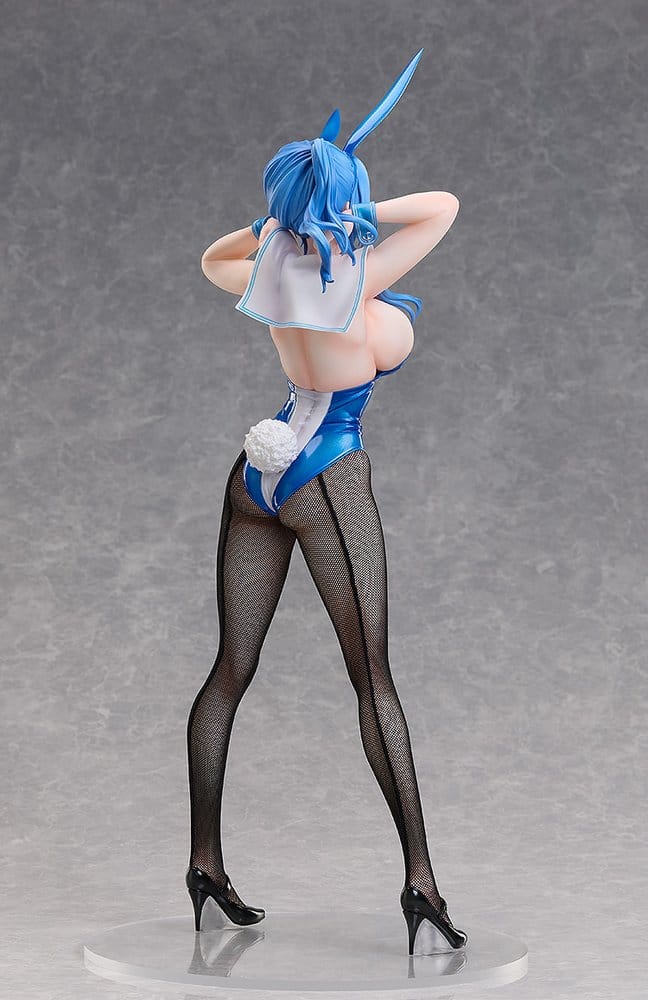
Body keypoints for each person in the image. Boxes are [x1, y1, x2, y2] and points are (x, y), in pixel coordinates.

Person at [185, 49, 467, 956]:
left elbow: (211, 257)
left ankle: (203, 864)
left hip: (256, 471)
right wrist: (351, 214)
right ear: (346, 202)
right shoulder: (356, 281)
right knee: (372, 678)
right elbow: (441, 207)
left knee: (230, 670)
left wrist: (280, 222)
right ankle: (420, 881)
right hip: (326, 476)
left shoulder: (270, 273)